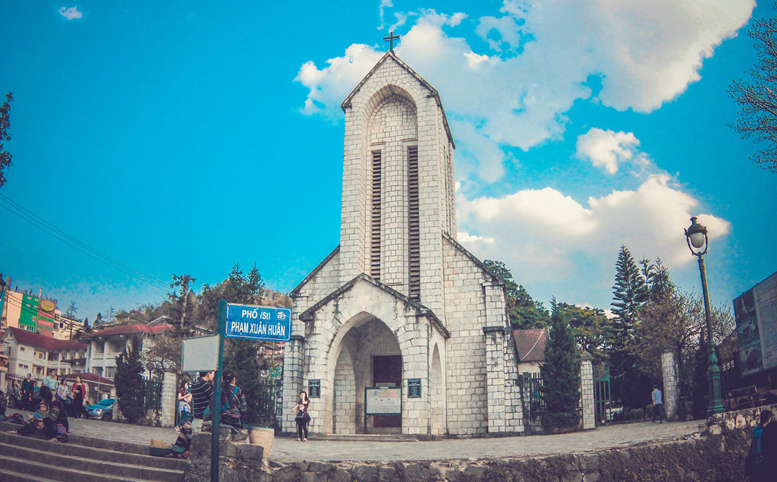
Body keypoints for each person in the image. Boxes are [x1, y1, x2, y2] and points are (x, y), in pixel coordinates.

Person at [747, 409, 772, 478]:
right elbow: (759, 449)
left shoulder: (755, 429)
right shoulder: (762, 432)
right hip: (759, 461)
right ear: (769, 420)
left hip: (754, 460)